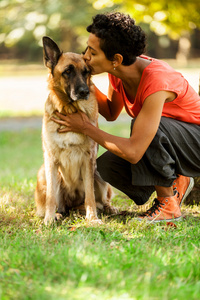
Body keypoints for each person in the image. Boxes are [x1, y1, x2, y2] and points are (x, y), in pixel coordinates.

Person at [51, 12, 200, 223]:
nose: (85, 57)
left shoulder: (157, 82)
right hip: (174, 143)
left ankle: (168, 205)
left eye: (92, 53)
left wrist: (86, 128)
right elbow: (111, 112)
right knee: (107, 166)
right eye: (87, 49)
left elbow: (133, 151)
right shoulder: (118, 73)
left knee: (149, 128)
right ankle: (177, 179)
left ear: (116, 59)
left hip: (195, 142)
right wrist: (82, 81)